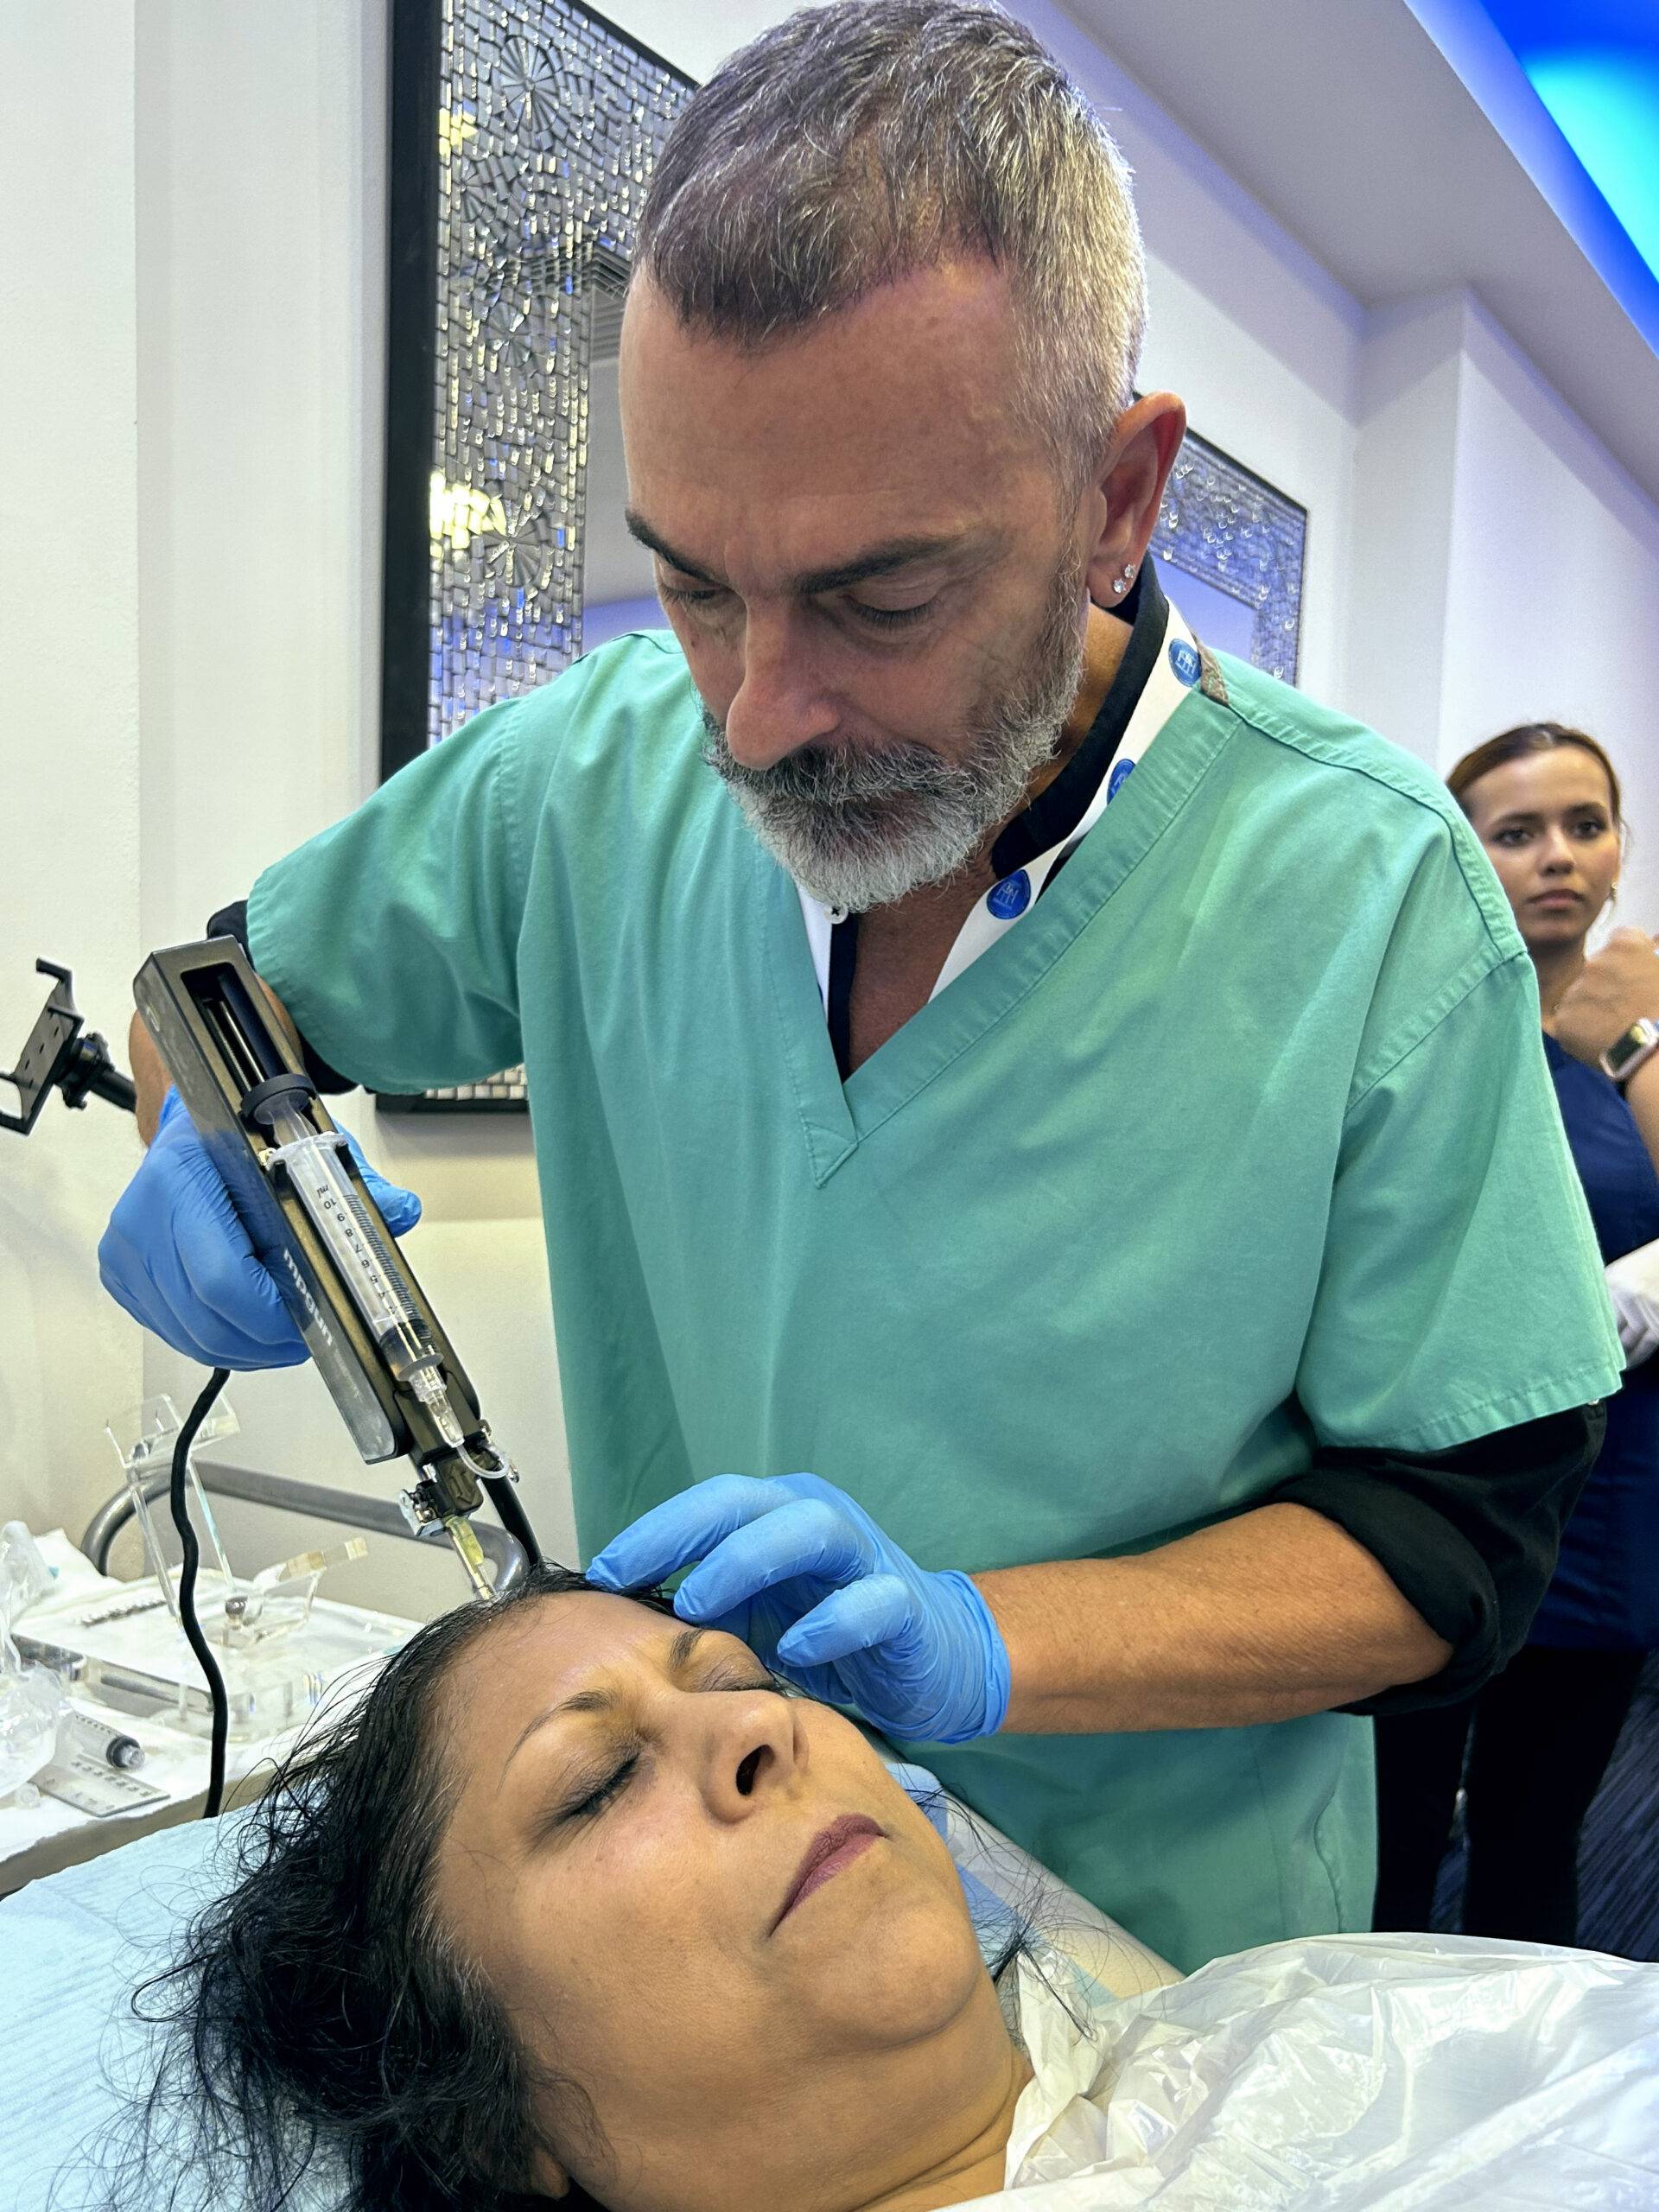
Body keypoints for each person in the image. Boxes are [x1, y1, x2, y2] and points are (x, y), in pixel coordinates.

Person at [99, 0, 1623, 1974]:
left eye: (878, 597)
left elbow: (1459, 1544)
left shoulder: (1371, 893)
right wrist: (198, 1154)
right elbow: (225, 1012)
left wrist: (984, 1638)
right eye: (694, 579)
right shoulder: (590, 769)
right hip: (709, 1937)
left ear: (1118, 497)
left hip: (1166, 1973)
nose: (755, 710)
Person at [105, 1573, 1659, 2212]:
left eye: (737, 1675)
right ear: (482, 2121)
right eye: (591, 1787)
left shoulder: (1299, 2032)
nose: (757, 1723)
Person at [1374, 723, 1659, 1944]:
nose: (1558, 858)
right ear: (1461, 853)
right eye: (1517, 831)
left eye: (1585, 827)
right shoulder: (1419, 1028)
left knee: (1536, 1840)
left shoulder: (1644, 1033)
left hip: (1603, 1499)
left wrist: (1626, 1039)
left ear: (1619, 852)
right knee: (1384, 1838)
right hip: (1432, 1487)